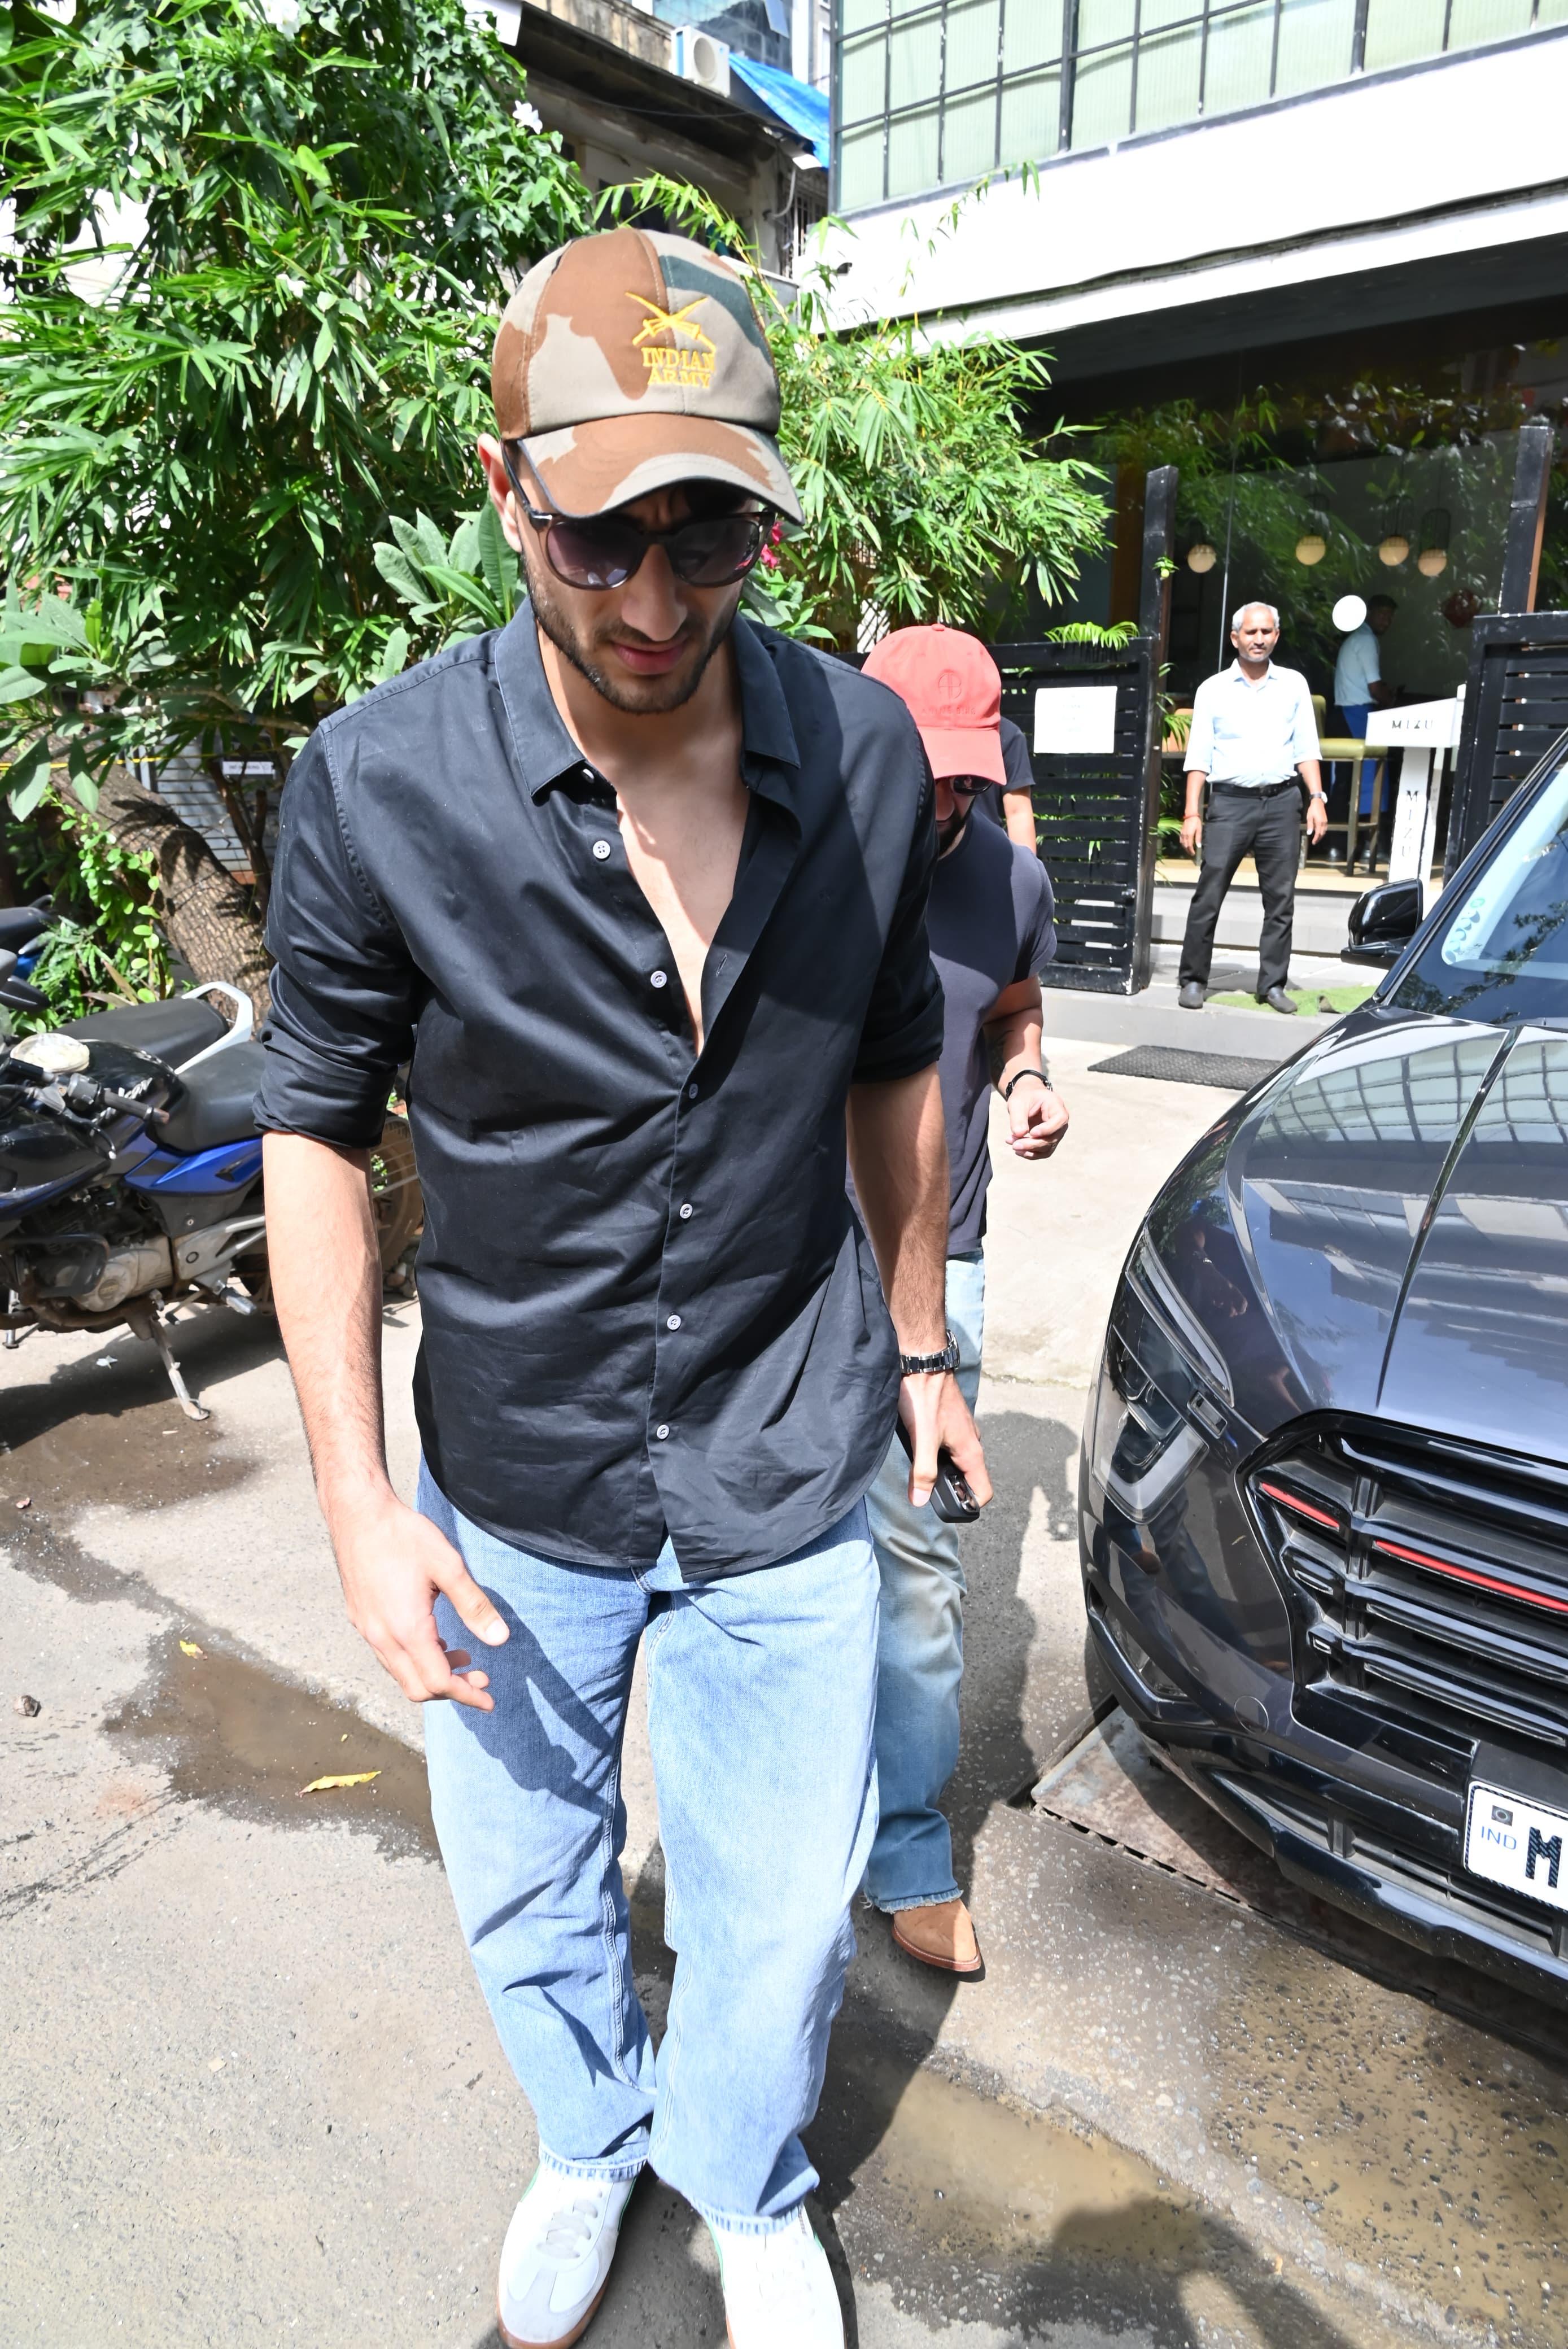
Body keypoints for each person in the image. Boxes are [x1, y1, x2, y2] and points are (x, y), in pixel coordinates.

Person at [255, 225, 990, 2349]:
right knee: (527, 1874)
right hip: (516, 1462)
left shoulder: (858, 755)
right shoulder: (379, 790)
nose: (657, 605)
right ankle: (591, 2139)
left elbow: (886, 1063)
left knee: (771, 1903)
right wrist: (355, 1504)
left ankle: (744, 2180)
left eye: (709, 541)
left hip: (785, 1446)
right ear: (505, 490)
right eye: (600, 544)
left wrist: (925, 1332)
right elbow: (313, 1129)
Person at [859, 625, 1068, 1976]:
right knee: (770, 1563)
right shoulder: (791, 853)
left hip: (948, 1271)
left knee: (920, 1575)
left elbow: (1010, 1003)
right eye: (917, 770)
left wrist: (1026, 1072)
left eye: (960, 776)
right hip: (789, 1261)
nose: (941, 801)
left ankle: (907, 1850)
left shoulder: (1007, 873)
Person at [1176, 601, 1328, 1015]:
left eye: (1266, 632)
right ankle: (1192, 979)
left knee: (1280, 899)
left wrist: (1316, 798)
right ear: (1235, 638)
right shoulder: (1212, 689)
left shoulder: (1294, 685)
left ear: (1276, 636)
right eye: (1250, 632)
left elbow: (1306, 750)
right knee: (1208, 895)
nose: (1258, 639)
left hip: (1282, 802)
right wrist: (1192, 814)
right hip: (1229, 803)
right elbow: (1198, 757)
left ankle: (1273, 985)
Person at [1333, 593, 1397, 871]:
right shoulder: (1367, 640)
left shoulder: (1353, 640)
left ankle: (1337, 847)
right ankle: (1374, 847)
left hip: (1343, 714)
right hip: (1358, 712)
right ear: (1368, 614)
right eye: (1382, 614)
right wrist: (1392, 698)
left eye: (1389, 616)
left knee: (1345, 781)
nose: (1386, 620)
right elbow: (1375, 687)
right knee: (1374, 778)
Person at [974, 711, 1039, 852]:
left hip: (986, 857)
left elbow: (1018, 813)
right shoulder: (919, 730)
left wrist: (1026, 872)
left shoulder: (1007, 734)